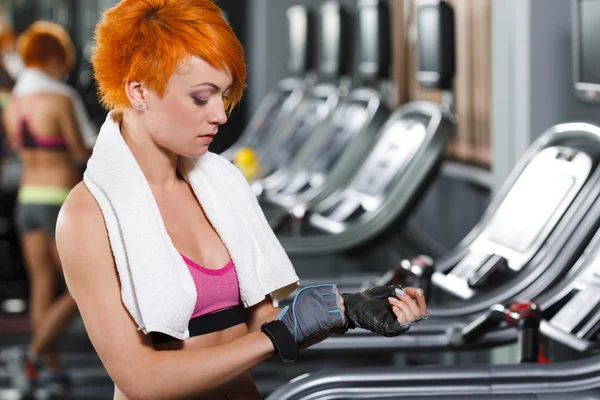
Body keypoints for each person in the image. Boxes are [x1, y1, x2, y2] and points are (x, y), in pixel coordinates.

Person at [56, 1, 428, 399]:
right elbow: (140, 379)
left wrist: (346, 311)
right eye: (202, 98)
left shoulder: (222, 184)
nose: (220, 114)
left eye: (224, 95)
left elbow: (261, 326)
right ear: (139, 90)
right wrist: (281, 333)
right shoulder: (88, 216)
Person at [0, 21, 92, 395]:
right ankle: (35, 353)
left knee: (42, 284)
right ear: (54, 58)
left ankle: (48, 368)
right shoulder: (61, 99)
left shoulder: (14, 102)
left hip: (27, 200)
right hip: (58, 201)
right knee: (81, 286)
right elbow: (80, 150)